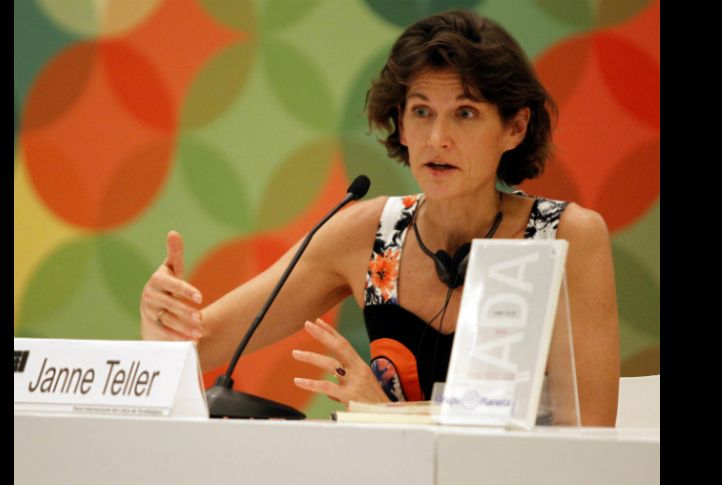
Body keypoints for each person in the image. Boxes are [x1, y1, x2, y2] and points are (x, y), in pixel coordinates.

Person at [140, 10, 620, 426]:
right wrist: (162, 320)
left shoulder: (565, 238)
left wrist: (388, 418)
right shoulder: (367, 234)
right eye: (421, 111)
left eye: (466, 113)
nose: (437, 138)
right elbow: (199, 346)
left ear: (514, 127)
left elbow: (593, 436)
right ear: (400, 124)